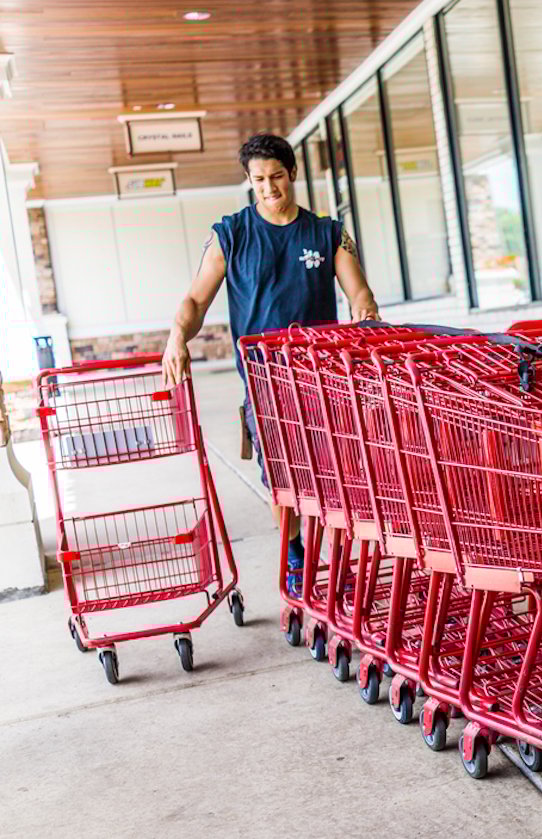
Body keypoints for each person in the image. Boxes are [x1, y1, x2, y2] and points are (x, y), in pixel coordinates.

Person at [160, 133, 379, 595]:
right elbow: (196, 300)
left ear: (293, 173)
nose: (269, 187)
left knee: (333, 475)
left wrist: (366, 315)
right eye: (258, 180)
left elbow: (359, 292)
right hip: (264, 384)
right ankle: (296, 554)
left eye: (276, 176)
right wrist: (177, 335)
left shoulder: (328, 232)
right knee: (281, 477)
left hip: (323, 381)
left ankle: (336, 557)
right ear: (249, 181)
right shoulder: (230, 234)